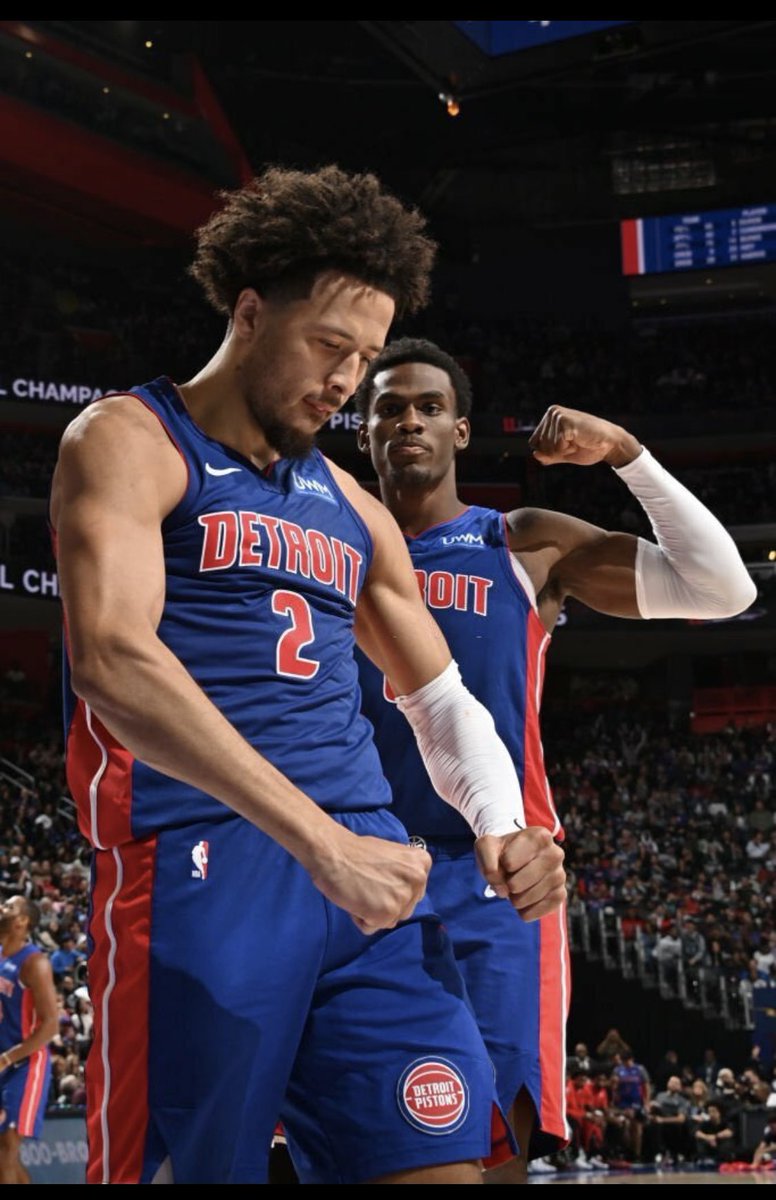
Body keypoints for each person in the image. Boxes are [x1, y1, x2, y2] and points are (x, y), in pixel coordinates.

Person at [50, 166, 566, 1186]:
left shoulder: (352, 508)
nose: (343, 381)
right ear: (249, 313)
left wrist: (502, 824)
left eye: (362, 357)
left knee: (443, 1167)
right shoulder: (130, 441)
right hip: (201, 869)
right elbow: (113, 655)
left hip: (369, 880)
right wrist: (315, 840)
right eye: (329, 347)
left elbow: (438, 699)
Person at [353, 336, 755, 1180]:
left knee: (499, 1138)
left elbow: (725, 590)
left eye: (430, 406)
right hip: (355, 869)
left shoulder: (519, 541)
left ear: (462, 432)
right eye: (389, 407)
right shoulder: (331, 546)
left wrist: (626, 455)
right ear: (363, 432)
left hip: (502, 871)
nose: (410, 421)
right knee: (341, 1139)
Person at [0, 896, 58, 1184]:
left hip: (25, 1063)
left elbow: (51, 1026)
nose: (2, 908)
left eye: (9, 907)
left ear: (22, 921)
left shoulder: (35, 963)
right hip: (2, 1059)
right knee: (4, 1155)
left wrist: (8, 1058)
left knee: (8, 1148)